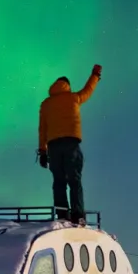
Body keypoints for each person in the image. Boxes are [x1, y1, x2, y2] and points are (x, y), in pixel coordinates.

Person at [36, 64, 102, 224]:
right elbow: (88, 91)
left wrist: (43, 151)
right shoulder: (73, 97)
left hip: (53, 146)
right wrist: (95, 76)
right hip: (71, 143)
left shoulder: (46, 104)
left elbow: (42, 129)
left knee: (58, 181)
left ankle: (62, 214)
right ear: (68, 86)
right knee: (75, 180)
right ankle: (78, 214)